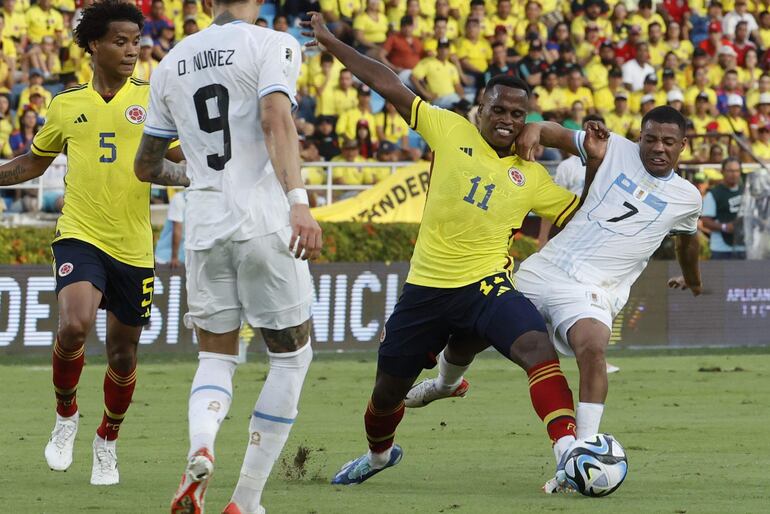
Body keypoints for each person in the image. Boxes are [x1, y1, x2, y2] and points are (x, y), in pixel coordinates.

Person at [302, 11, 596, 491]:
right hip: (426, 291)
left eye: (517, 115)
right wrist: (332, 42)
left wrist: (589, 157)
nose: (506, 121)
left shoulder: (535, 178)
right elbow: (386, 82)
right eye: (498, 109)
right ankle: (379, 456)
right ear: (481, 107)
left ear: (529, 121)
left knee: (537, 349)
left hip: (486, 286)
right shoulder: (448, 128)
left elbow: (584, 217)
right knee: (385, 394)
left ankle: (568, 452)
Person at [405, 106, 704, 494]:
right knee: (470, 333)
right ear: (640, 136)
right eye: (650, 139)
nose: (657, 148)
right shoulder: (613, 147)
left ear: (683, 145)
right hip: (547, 268)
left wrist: (694, 282)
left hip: (595, 288)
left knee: (593, 351)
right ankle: (445, 384)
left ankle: (581, 452)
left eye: (667, 142)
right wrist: (533, 129)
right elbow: (550, 132)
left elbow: (689, 241)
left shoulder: (687, 198)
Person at [134, 1, 323, 512]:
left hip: (204, 230)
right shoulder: (272, 44)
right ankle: (246, 500)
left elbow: (147, 163)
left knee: (216, 358)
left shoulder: (171, 61)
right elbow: (274, 118)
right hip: (265, 224)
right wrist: (300, 204)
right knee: (291, 357)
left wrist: (193, 176)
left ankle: (201, 446)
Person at [0, 0, 188, 486]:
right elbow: (34, 164)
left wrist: (212, 153)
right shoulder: (66, 104)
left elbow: (176, 156)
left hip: (133, 245)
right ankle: (67, 416)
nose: (131, 51)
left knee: (123, 355)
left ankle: (107, 439)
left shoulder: (154, 99)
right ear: (93, 46)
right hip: (80, 233)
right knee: (74, 326)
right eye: (120, 42)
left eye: (135, 42)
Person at [700, 157, 746, 259]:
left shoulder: (746, 192)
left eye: (736, 171)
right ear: (722, 172)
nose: (734, 174)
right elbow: (705, 222)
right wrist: (724, 227)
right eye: (730, 171)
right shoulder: (713, 194)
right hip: (722, 248)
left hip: (744, 246)